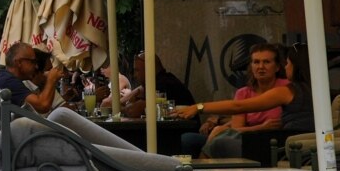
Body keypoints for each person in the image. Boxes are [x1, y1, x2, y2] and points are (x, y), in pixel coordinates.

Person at [173, 44, 313, 145]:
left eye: (288, 64)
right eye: (256, 62)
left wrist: (199, 107)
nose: (260, 67)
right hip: (284, 141)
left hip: (279, 142)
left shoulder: (287, 89)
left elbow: (238, 106)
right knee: (206, 137)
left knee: (220, 143)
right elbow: (237, 122)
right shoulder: (310, 89)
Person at [0, 42, 62, 115]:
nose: (36, 66)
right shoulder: (9, 81)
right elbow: (42, 105)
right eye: (32, 61)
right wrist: (52, 79)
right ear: (19, 62)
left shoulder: (6, 78)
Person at [118, 52, 196, 119]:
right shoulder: (160, 81)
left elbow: (134, 110)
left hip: (182, 131)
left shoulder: (163, 84)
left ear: (150, 69)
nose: (135, 75)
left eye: (137, 70)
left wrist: (124, 108)